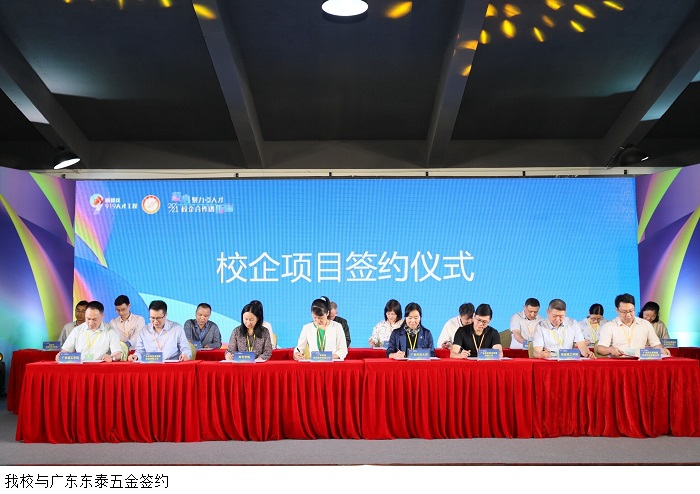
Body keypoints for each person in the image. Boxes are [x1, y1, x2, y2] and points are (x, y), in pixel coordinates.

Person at [597, 294, 670, 357]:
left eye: (631, 311)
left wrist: (661, 349)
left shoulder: (645, 324)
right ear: (617, 310)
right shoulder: (609, 326)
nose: (628, 315)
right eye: (624, 312)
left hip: (640, 362)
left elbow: (656, 344)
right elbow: (600, 348)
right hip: (619, 363)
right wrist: (610, 349)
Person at [55, 300, 122, 362]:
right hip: (81, 367)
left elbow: (118, 353)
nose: (91, 323)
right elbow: (66, 350)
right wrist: (61, 355)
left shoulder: (110, 331)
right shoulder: (77, 330)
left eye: (94, 319)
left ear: (102, 316)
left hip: (101, 367)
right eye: (88, 319)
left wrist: (112, 357)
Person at [294, 296, 348, 360]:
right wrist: (297, 354)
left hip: (332, 364)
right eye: (315, 317)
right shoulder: (307, 328)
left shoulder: (337, 326)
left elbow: (343, 350)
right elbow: (299, 348)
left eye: (321, 318)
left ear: (327, 313)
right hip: (314, 365)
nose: (317, 321)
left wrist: (327, 357)